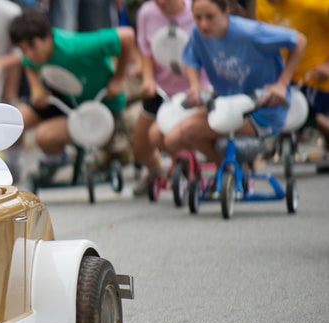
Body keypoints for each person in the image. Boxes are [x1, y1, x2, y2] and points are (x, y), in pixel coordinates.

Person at [160, 0, 306, 163]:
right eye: (197, 18)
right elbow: (190, 60)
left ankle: (230, 170)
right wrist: (195, 86)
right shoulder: (198, 33)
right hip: (226, 104)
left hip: (261, 109)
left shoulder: (249, 32)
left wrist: (282, 84)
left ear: (225, 11)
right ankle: (228, 170)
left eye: (210, 17)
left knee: (189, 130)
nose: (204, 24)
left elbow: (299, 40)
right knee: (171, 140)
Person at [6, 8, 138, 180]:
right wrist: (36, 88)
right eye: (23, 49)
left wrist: (119, 77)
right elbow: (27, 63)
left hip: (101, 106)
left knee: (44, 136)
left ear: (48, 37)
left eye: (32, 47)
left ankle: (55, 159)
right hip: (66, 100)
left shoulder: (76, 48)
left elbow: (126, 36)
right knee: (14, 120)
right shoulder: (34, 55)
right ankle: (11, 169)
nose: (29, 55)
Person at [131, 0, 199, 194]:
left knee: (164, 135)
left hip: (194, 89)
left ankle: (195, 170)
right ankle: (156, 172)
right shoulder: (147, 12)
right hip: (161, 89)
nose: (162, 3)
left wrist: (198, 87)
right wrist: (148, 79)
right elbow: (146, 52)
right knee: (140, 147)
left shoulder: (198, 12)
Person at [255, 0, 329, 173]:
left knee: (320, 120)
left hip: (316, 78)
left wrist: (327, 65)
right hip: (283, 77)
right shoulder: (262, 4)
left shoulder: (315, 5)